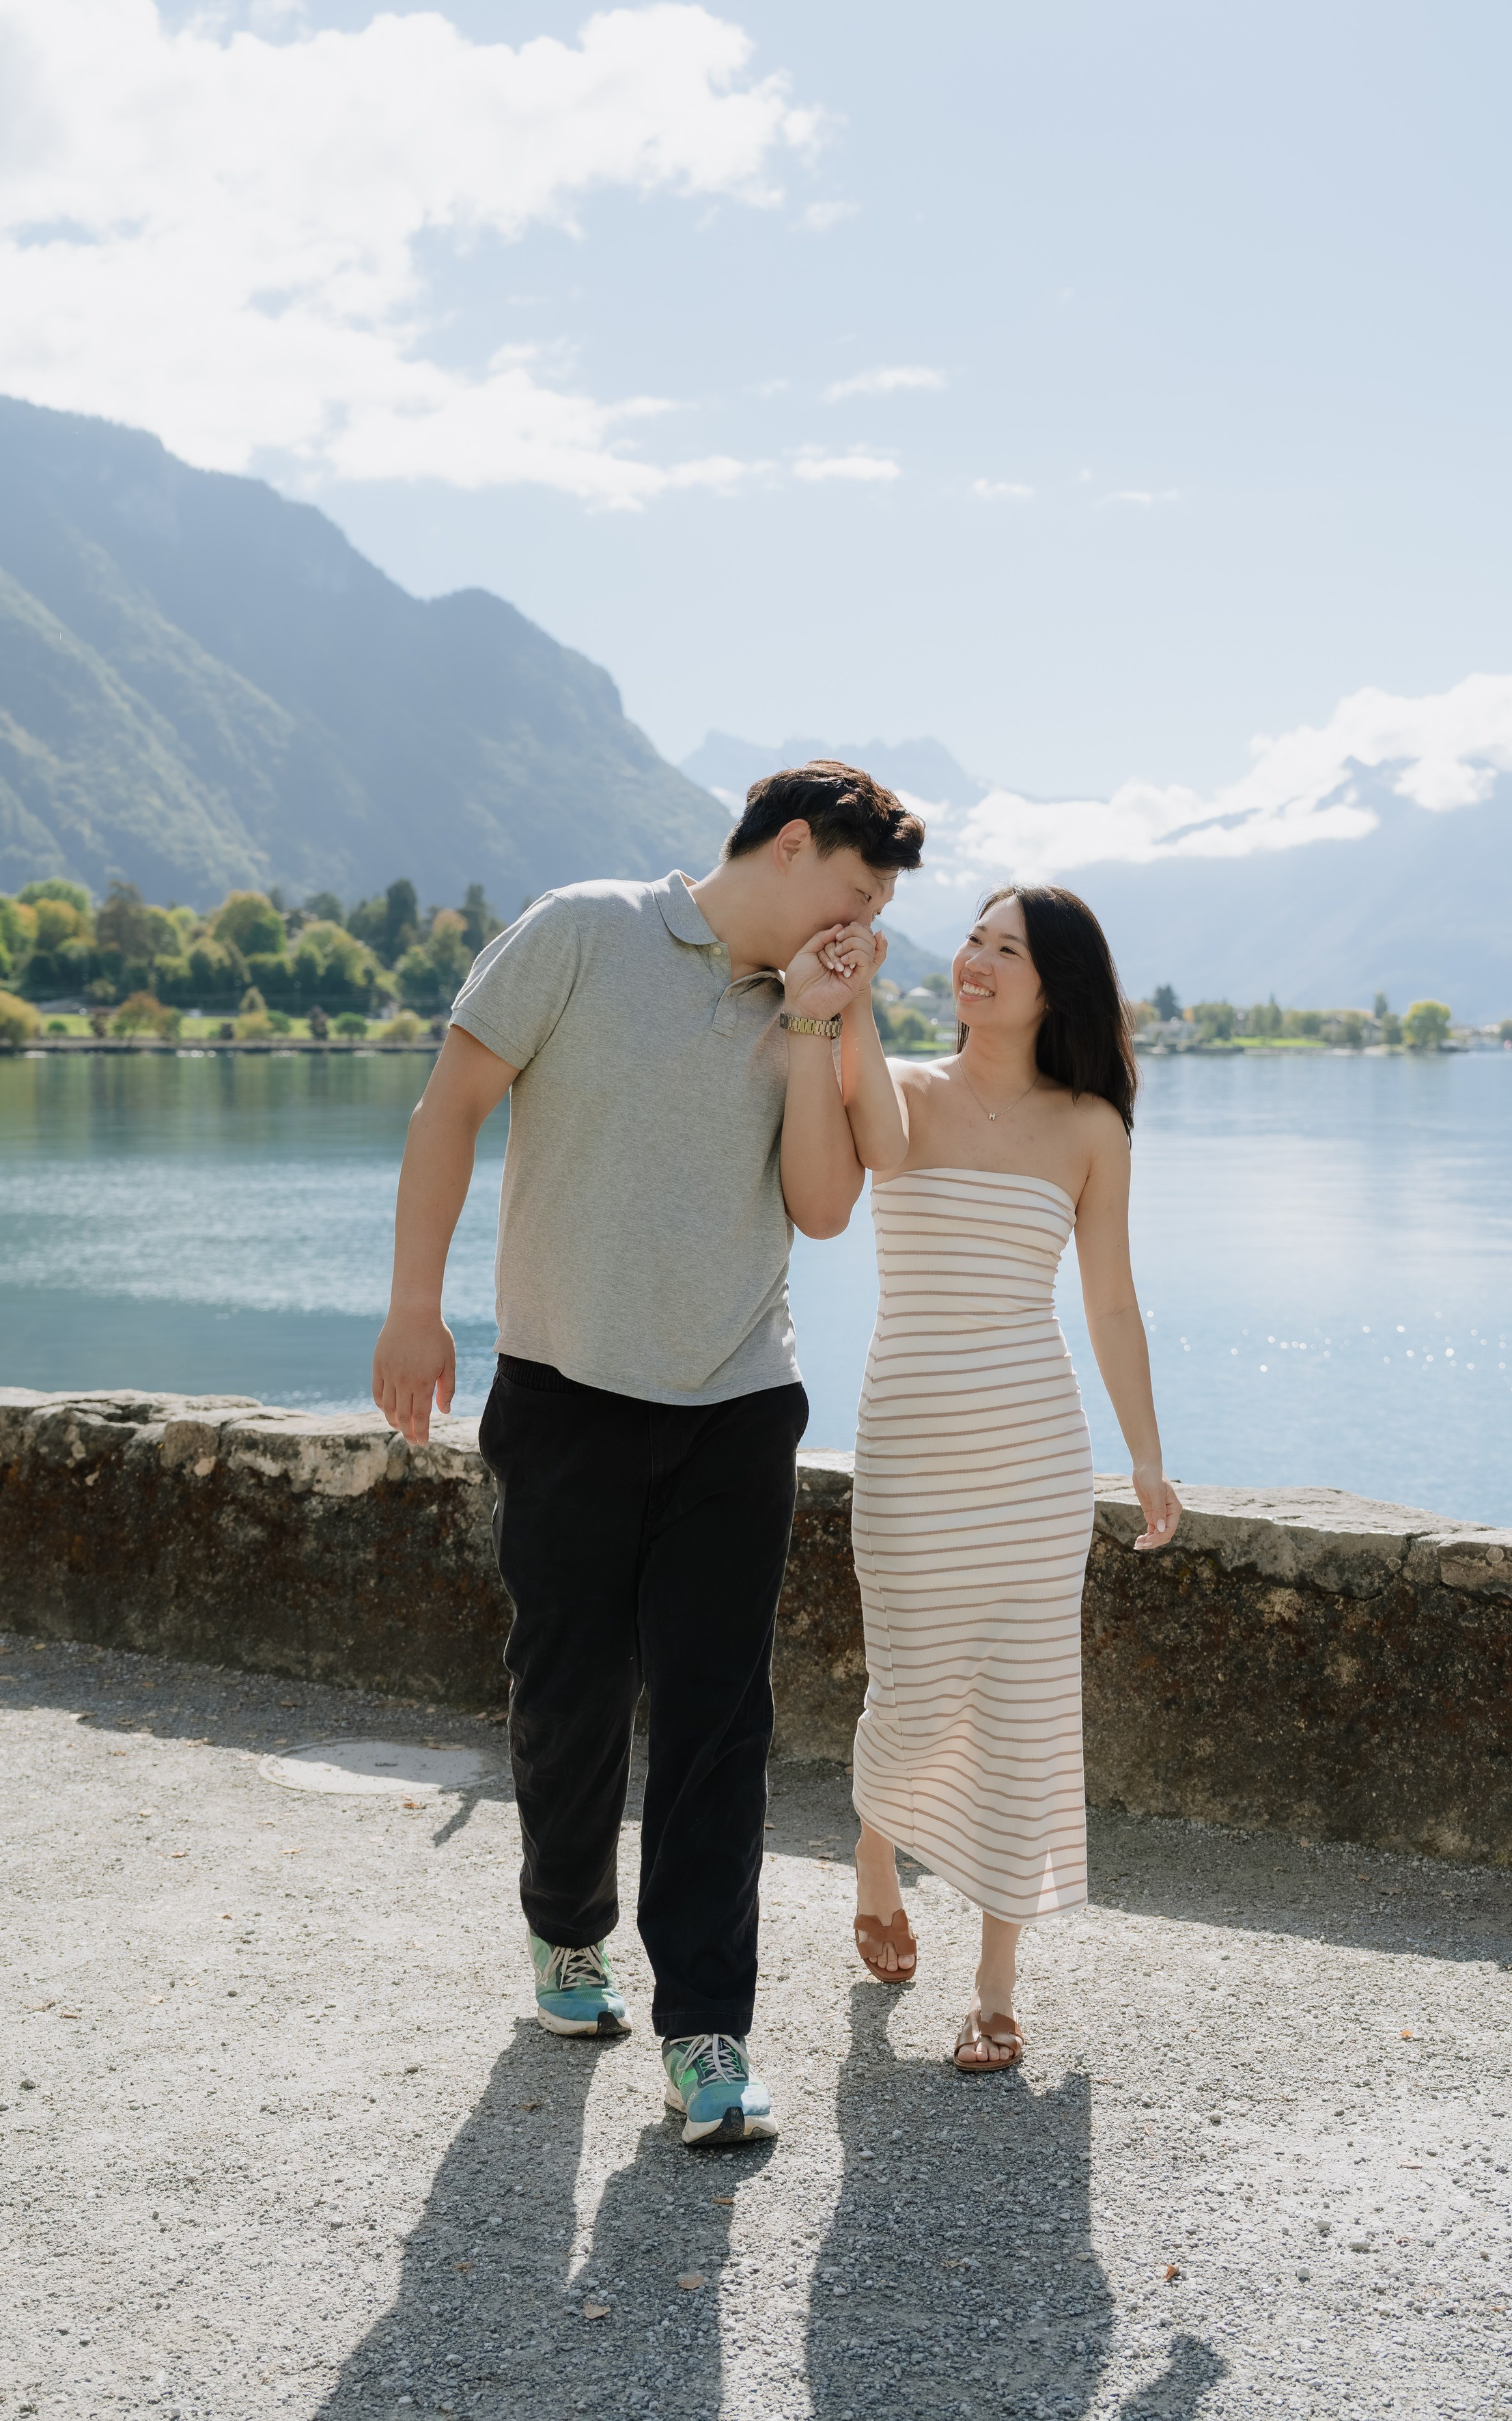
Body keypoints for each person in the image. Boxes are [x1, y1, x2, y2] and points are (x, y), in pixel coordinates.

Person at [370, 764, 924, 2147]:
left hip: (739, 1407)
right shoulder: (579, 930)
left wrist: (816, 1027)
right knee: (566, 1698)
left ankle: (705, 2036)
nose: (864, 925)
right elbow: (450, 1107)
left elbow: (821, 1206)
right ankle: (567, 1934)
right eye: (855, 895)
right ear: (790, 849)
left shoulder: (826, 997)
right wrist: (411, 1308)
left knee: (716, 1725)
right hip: (565, 1394)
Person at [796, 881, 1182, 2071]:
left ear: (1052, 984)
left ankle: (998, 1984)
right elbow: (885, 1162)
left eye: (1005, 949)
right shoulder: (900, 1086)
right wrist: (848, 1010)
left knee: (1021, 1705)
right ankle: (877, 1854)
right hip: (913, 1441)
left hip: (1033, 1454)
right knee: (912, 1689)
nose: (975, 960)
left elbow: (1110, 1302)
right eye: (970, 939)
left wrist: (1148, 1458)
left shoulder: (1090, 1128)